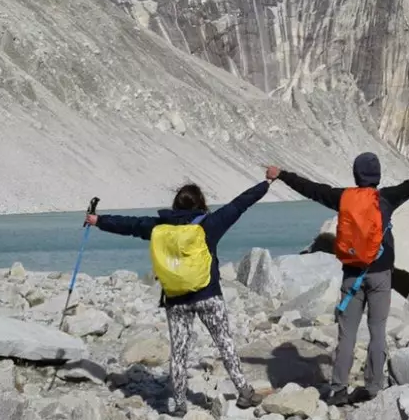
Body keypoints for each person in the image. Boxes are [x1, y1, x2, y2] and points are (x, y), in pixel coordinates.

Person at [269, 146, 409, 406]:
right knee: (377, 331)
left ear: (356, 175)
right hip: (381, 274)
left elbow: (310, 188)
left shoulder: (342, 197)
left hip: (352, 275)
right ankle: (372, 387)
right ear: (378, 176)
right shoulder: (388, 198)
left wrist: (282, 174)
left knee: (346, 334)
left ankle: (338, 389)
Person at [88, 171, 276, 416]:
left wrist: (97, 220)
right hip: (208, 295)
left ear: (175, 205)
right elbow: (240, 204)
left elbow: (129, 225)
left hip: (176, 299)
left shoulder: (159, 227)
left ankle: (179, 404)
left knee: (179, 351)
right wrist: (267, 184)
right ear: (201, 204)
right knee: (225, 343)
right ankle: (244, 391)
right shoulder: (211, 224)